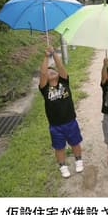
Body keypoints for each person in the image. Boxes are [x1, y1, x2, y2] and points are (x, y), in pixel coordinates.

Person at [39, 46, 83, 178]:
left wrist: (54, 54)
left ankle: (78, 160)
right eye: (48, 72)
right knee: (59, 147)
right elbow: (42, 73)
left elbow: (60, 66)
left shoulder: (64, 82)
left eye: (52, 70)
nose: (50, 71)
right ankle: (63, 166)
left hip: (70, 121)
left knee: (75, 143)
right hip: (55, 126)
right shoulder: (45, 89)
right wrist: (46, 57)